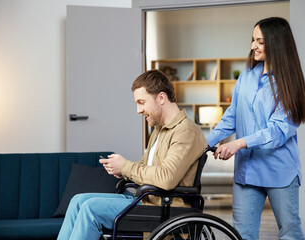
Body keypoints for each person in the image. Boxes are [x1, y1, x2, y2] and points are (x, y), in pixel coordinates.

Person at [57, 69, 207, 240]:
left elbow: (167, 177)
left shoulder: (185, 131)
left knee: (89, 208)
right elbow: (145, 168)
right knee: (77, 201)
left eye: (141, 102)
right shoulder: (159, 130)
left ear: (161, 98)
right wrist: (122, 170)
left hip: (163, 206)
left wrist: (127, 167)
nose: (138, 110)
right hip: (146, 199)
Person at [207, 17, 305, 240]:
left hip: (279, 171)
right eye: (253, 40)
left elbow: (277, 131)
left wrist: (238, 143)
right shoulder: (246, 76)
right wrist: (204, 142)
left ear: (276, 43)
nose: (253, 46)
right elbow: (231, 117)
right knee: (242, 235)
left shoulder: (289, 83)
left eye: (260, 41)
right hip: (247, 171)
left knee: (290, 233)